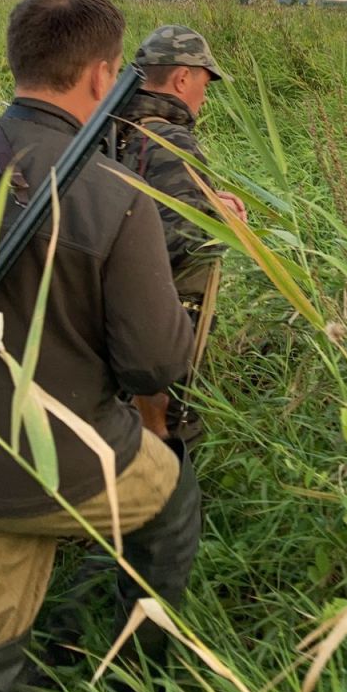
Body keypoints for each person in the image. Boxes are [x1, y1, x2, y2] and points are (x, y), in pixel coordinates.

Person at [0, 0, 201, 692]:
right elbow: (155, 364)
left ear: (16, 63)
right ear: (101, 75)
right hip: (67, 467)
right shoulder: (119, 196)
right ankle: (136, 675)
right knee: (173, 499)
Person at [118, 25, 246, 444]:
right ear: (182, 78)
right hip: (163, 329)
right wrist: (221, 220)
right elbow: (176, 242)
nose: (204, 96)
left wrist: (208, 201)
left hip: (116, 322)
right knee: (172, 434)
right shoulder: (169, 139)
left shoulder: (118, 128)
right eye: (204, 83)